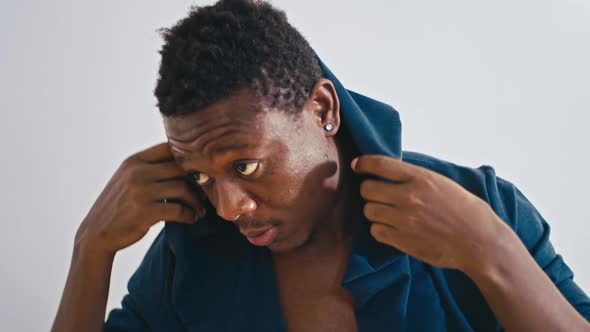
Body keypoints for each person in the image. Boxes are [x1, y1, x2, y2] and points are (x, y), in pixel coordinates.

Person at [51, 0, 590, 331]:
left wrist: (492, 254)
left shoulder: (484, 208)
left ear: (323, 110)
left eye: (244, 166)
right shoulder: (189, 253)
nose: (228, 206)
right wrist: (90, 249)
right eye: (199, 175)